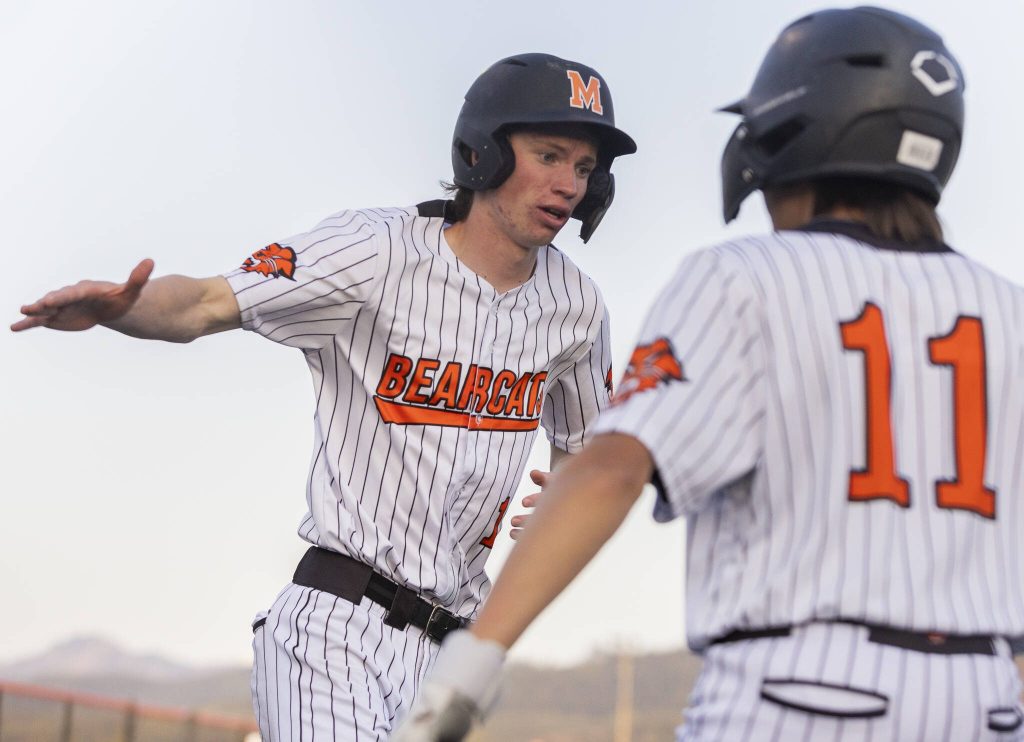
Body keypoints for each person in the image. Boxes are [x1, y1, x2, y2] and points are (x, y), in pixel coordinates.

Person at [394, 8, 1024, 742]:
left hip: (797, 693)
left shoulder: (743, 276)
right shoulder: (1009, 311)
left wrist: (472, 662)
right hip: (985, 701)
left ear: (791, 135)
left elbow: (609, 472)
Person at [11, 52, 636, 740]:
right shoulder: (373, 250)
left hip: (450, 656)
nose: (568, 184)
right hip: (337, 627)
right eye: (549, 155)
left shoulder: (577, 307)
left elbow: (589, 458)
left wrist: (566, 495)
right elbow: (204, 301)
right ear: (481, 152)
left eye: (583, 168)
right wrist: (118, 310)